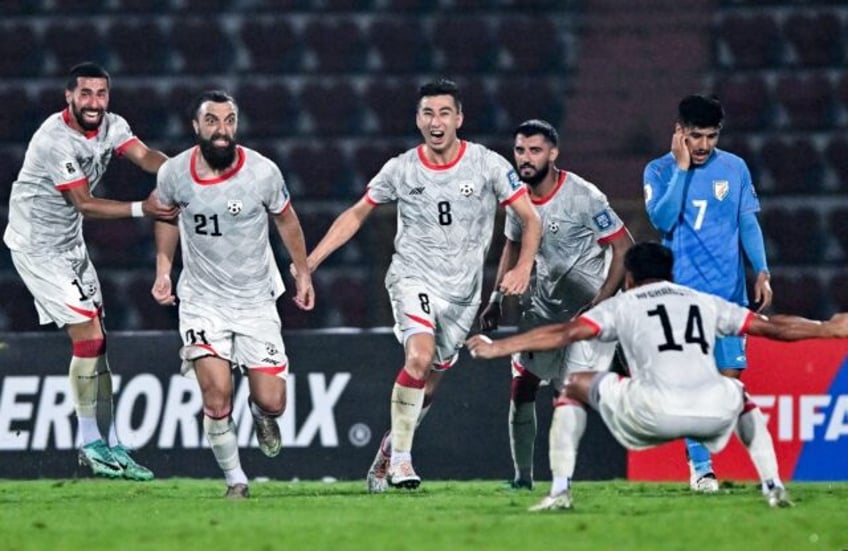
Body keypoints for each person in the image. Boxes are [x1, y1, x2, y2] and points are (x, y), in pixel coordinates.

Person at [467, 242, 848, 510]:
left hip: (649, 415)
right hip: (710, 414)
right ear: (670, 274)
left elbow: (563, 334)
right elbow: (772, 327)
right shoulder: (704, 301)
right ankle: (773, 486)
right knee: (738, 392)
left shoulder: (622, 304)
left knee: (574, 385)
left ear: (630, 278)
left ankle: (561, 490)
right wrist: (827, 329)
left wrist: (499, 347)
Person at [298, 79, 542, 491]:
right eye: (428, 113)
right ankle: (403, 463)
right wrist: (309, 264)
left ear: (459, 119)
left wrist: (521, 268)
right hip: (413, 276)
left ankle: (388, 453)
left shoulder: (486, 164)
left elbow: (530, 218)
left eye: (444, 113)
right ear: (418, 119)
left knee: (427, 385)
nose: (436, 121)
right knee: (418, 356)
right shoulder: (401, 168)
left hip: (463, 294)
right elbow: (357, 214)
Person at [2, 61, 177, 480]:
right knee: (89, 338)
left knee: (100, 345)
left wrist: (181, 172)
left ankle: (114, 442)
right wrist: (144, 208)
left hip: (70, 245)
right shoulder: (53, 139)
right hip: (37, 247)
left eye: (101, 94)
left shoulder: (112, 124)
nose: (94, 102)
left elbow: (144, 155)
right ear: (69, 96)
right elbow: (83, 202)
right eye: (85, 94)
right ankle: (88, 442)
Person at [150, 90, 314, 499]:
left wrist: (303, 273)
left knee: (273, 400)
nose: (222, 130)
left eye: (229, 121)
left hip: (255, 299)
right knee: (217, 395)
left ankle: (262, 414)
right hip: (202, 301)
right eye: (212, 121)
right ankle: (236, 480)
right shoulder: (173, 173)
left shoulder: (262, 172)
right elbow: (166, 218)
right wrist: (163, 270)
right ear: (196, 127)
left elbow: (287, 221)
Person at [478, 119, 633, 492]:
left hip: (587, 317)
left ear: (553, 153)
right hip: (543, 313)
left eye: (534, 151)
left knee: (569, 394)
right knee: (523, 387)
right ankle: (522, 479)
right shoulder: (517, 199)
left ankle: (562, 483)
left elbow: (624, 245)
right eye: (519, 151)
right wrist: (496, 297)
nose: (525, 159)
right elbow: (512, 248)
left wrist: (599, 304)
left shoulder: (583, 195)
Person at [642, 94, 773, 492]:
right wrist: (681, 170)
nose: (702, 146)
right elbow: (662, 220)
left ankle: (700, 447)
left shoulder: (734, 168)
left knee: (728, 383)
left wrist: (762, 271)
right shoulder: (659, 170)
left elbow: (747, 222)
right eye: (695, 136)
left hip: (729, 297)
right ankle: (702, 468)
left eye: (711, 137)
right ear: (679, 132)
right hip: (682, 299)